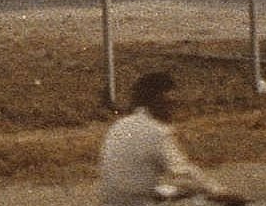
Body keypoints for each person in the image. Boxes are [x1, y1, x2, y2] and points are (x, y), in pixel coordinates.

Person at [99, 70, 247, 204]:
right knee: (197, 198)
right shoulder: (156, 131)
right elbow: (183, 172)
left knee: (175, 190)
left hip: (113, 200)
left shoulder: (118, 125)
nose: (174, 107)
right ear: (155, 100)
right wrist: (220, 192)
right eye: (170, 102)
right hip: (140, 202)